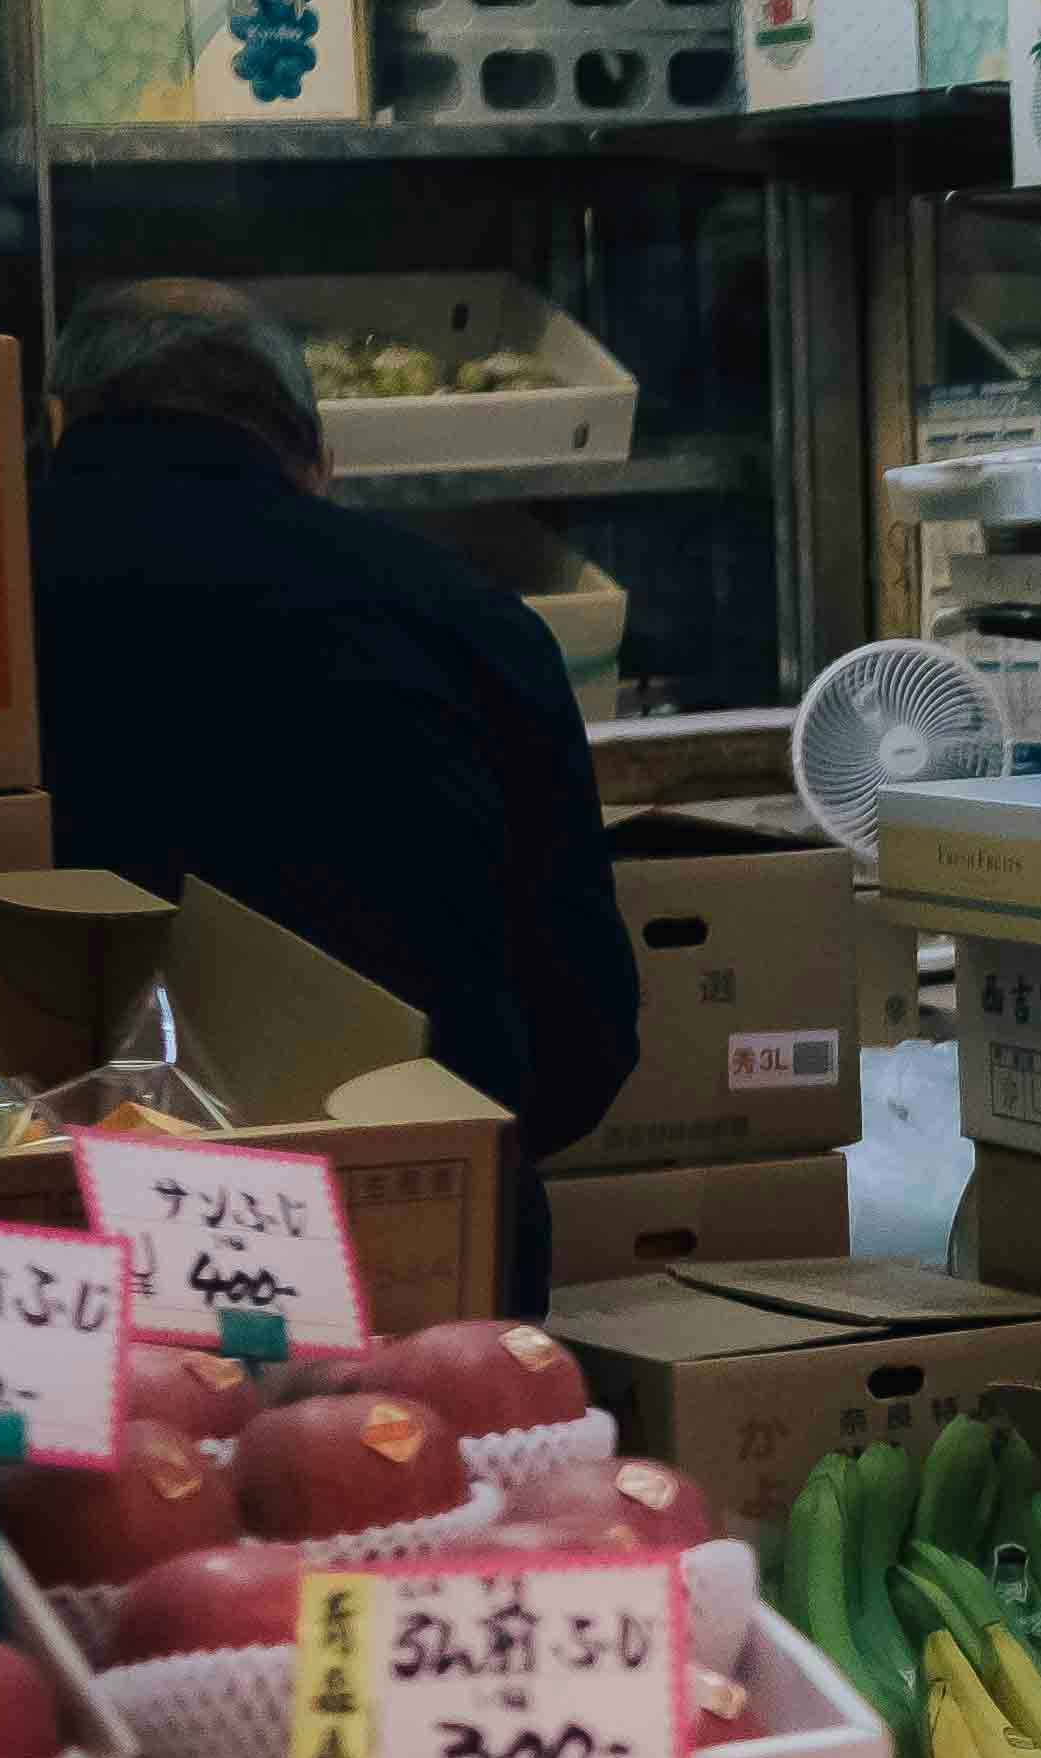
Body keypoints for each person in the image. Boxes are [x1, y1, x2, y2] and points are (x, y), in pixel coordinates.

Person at [32, 279, 640, 1310]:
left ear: (56, 426)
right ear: (319, 460)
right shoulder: (474, 623)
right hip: (421, 1257)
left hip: (49, 1270)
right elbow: (583, 1039)